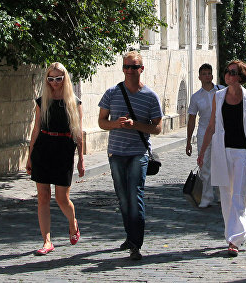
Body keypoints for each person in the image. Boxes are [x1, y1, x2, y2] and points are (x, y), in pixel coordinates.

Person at [98, 51, 163, 261]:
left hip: (138, 153)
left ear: (141, 69)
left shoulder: (150, 96)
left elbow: (158, 128)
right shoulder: (112, 93)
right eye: (126, 66)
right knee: (123, 199)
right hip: (116, 153)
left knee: (135, 196)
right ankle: (129, 236)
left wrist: (135, 125)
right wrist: (116, 124)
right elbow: (101, 121)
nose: (129, 70)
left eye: (134, 67)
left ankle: (136, 243)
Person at [197, 59, 246, 257]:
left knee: (239, 195)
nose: (228, 75)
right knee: (226, 196)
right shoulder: (218, 97)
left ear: (241, 77)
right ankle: (230, 236)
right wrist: (202, 152)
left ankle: (236, 239)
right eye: (227, 71)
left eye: (233, 72)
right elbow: (211, 126)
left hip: (243, 153)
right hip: (222, 151)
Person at [26, 62, 85, 256]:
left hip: (63, 150)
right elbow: (36, 129)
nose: (55, 83)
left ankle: (72, 222)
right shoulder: (41, 101)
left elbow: (78, 133)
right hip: (43, 148)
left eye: (58, 78)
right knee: (43, 196)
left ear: (65, 79)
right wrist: (29, 156)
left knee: (61, 198)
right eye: (51, 79)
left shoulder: (74, 102)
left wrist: (81, 159)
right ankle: (46, 241)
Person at [185, 63, 223, 208]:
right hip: (203, 132)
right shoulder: (196, 97)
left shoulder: (221, 91)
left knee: (220, 163)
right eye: (204, 74)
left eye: (209, 73)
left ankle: (221, 194)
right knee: (204, 164)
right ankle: (206, 196)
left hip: (220, 132)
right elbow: (192, 119)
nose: (207, 76)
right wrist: (188, 141)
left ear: (212, 75)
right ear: (200, 77)